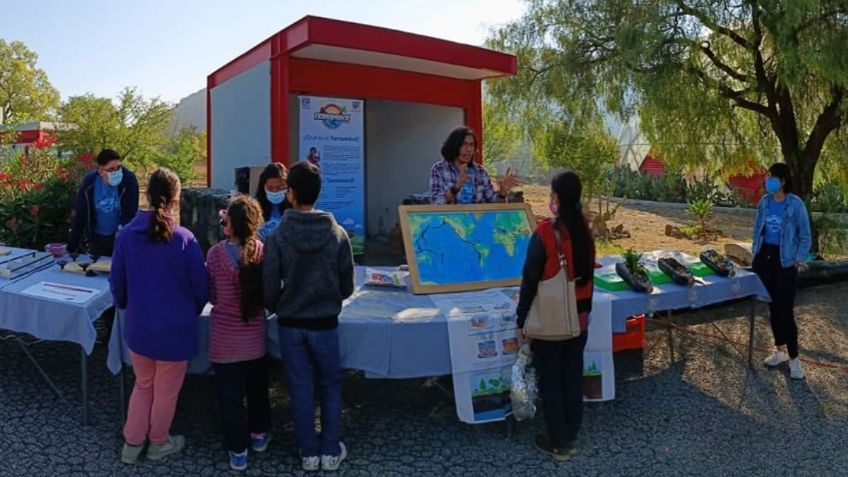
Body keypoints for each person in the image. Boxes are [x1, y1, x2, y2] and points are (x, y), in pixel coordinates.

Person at [110, 167, 210, 464]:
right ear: (175, 201)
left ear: (146, 195)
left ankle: (132, 443)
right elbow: (201, 288)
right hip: (175, 330)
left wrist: (130, 306)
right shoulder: (185, 238)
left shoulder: (126, 235)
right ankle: (158, 442)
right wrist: (187, 311)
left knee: (143, 384)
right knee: (166, 391)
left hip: (139, 327)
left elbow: (117, 284)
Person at [262, 161, 354, 473]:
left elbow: (269, 285)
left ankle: (308, 452)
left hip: (290, 324)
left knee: (300, 387)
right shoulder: (337, 233)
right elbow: (347, 285)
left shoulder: (277, 236)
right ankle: (330, 451)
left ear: (291, 194)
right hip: (325, 323)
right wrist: (329, 299)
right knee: (330, 386)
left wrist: (278, 304)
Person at [515, 171, 595, 461]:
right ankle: (571, 434)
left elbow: (530, 278)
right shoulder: (585, 232)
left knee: (551, 380)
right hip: (579, 320)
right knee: (572, 377)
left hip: (551, 323)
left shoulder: (546, 233)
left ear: (557, 198)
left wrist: (521, 317)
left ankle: (558, 443)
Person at [207, 195, 272, 471]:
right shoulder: (261, 251)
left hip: (224, 341)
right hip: (255, 338)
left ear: (230, 224)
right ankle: (259, 435)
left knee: (230, 399)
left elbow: (211, 296)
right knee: (257, 391)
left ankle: (238, 450)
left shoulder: (214, 255)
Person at [752, 163, 812, 379]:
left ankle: (795, 359)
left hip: (785, 260)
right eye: (768, 177)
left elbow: (805, 235)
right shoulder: (765, 203)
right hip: (764, 257)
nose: (768, 181)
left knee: (785, 310)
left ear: (783, 181)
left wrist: (798, 258)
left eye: (773, 178)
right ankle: (780, 351)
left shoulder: (795, 205)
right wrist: (755, 252)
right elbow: (757, 229)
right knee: (772, 307)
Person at [68, 148, 139, 257]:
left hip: (121, 237)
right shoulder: (89, 183)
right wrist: (71, 248)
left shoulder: (129, 180)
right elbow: (80, 215)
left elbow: (130, 213)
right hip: (97, 237)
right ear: (100, 171)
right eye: (111, 170)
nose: (116, 172)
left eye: (119, 167)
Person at [428, 126, 519, 205]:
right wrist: (456, 187)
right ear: (454, 146)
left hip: (477, 223)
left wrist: (502, 192)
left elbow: (496, 206)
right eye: (464, 144)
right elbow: (436, 203)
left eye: (472, 145)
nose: (469, 149)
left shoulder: (480, 171)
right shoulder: (439, 169)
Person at [255, 163, 290, 239]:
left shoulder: (294, 206)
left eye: (279, 187)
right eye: (270, 188)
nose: (275, 191)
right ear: (263, 187)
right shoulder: (255, 207)